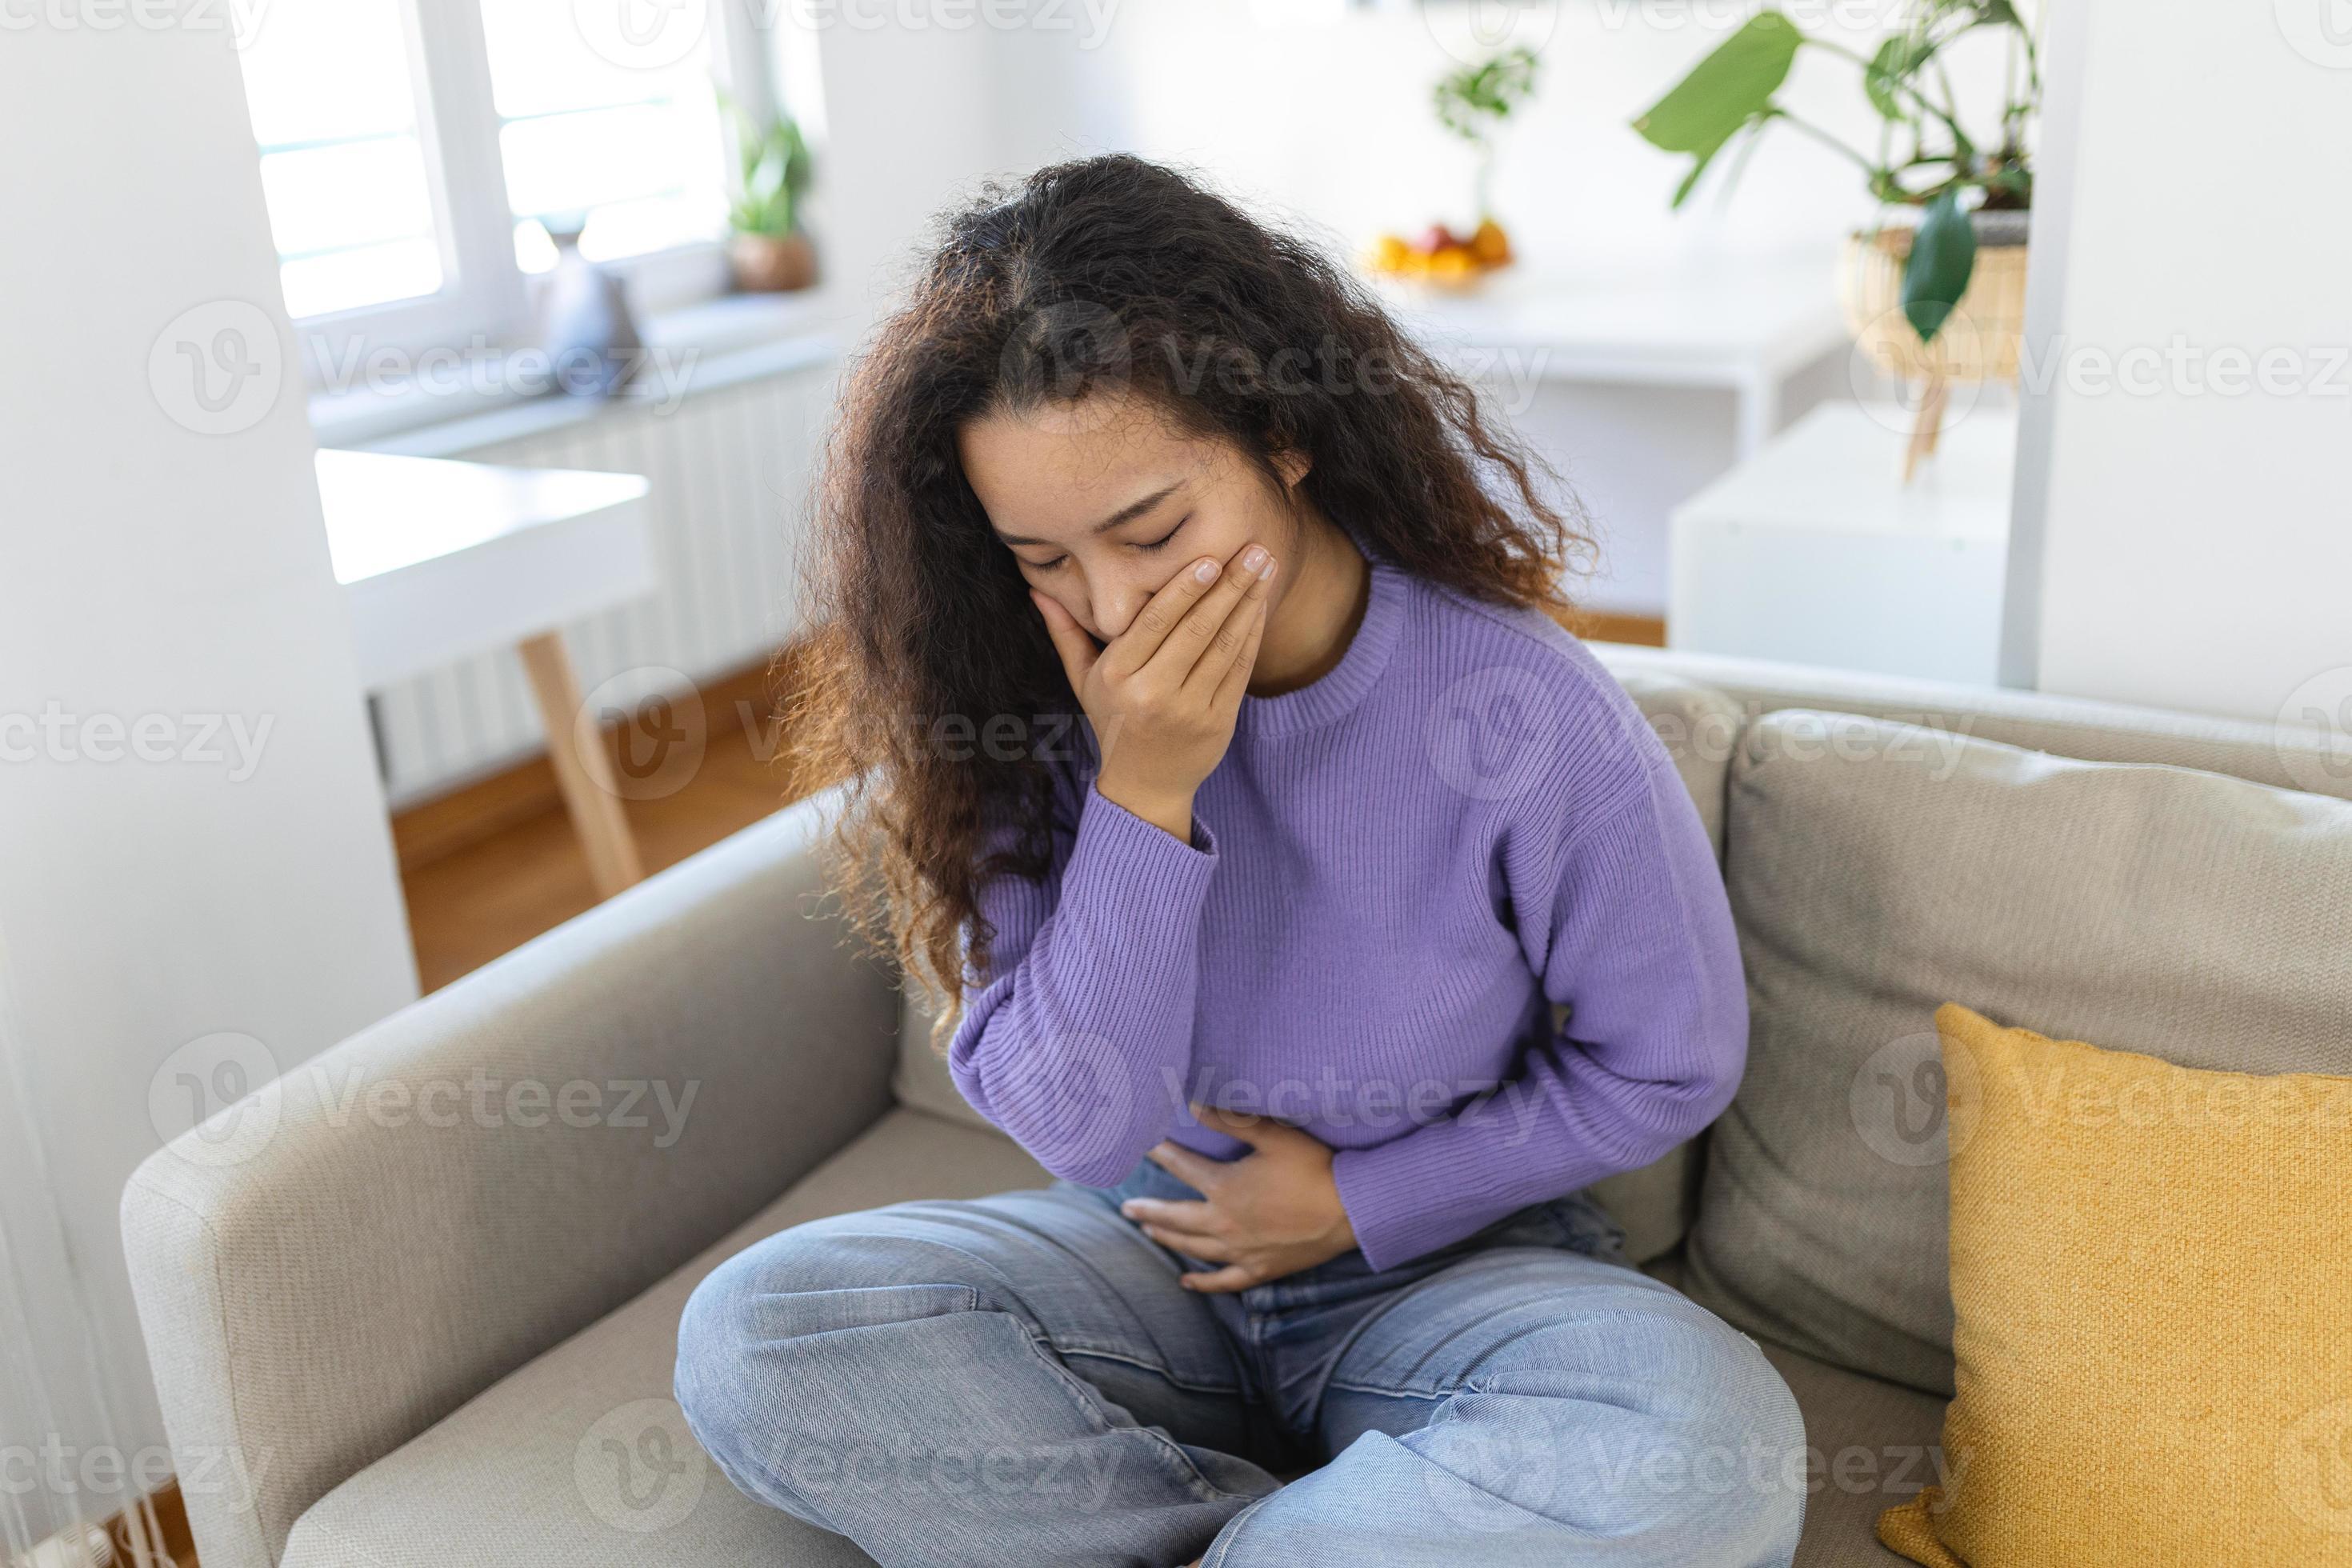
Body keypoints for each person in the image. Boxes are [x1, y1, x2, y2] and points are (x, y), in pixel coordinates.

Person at [674, 152, 1806, 1567]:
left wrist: (1356, 1202)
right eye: (1044, 558)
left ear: (1282, 435)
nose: (1111, 602)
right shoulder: (1016, 716)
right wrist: (1146, 792)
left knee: (1702, 1452)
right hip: (1143, 1258)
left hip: (1449, 1281)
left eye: (1153, 530)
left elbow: (1670, 1059)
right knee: (761, 1331)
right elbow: (1082, 1129)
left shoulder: (1522, 711)